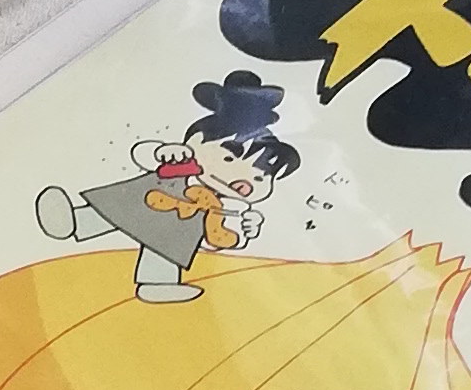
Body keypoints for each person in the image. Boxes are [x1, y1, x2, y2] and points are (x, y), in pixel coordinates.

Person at [32, 73, 304, 302]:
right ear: (196, 142)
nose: (241, 179)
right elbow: (142, 155)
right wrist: (163, 152)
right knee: (119, 208)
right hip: (147, 197)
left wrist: (245, 231)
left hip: (180, 226)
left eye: (261, 177)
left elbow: (219, 240)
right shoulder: (180, 161)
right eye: (228, 159)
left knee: (166, 246)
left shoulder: (222, 207)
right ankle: (75, 223)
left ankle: (157, 284)